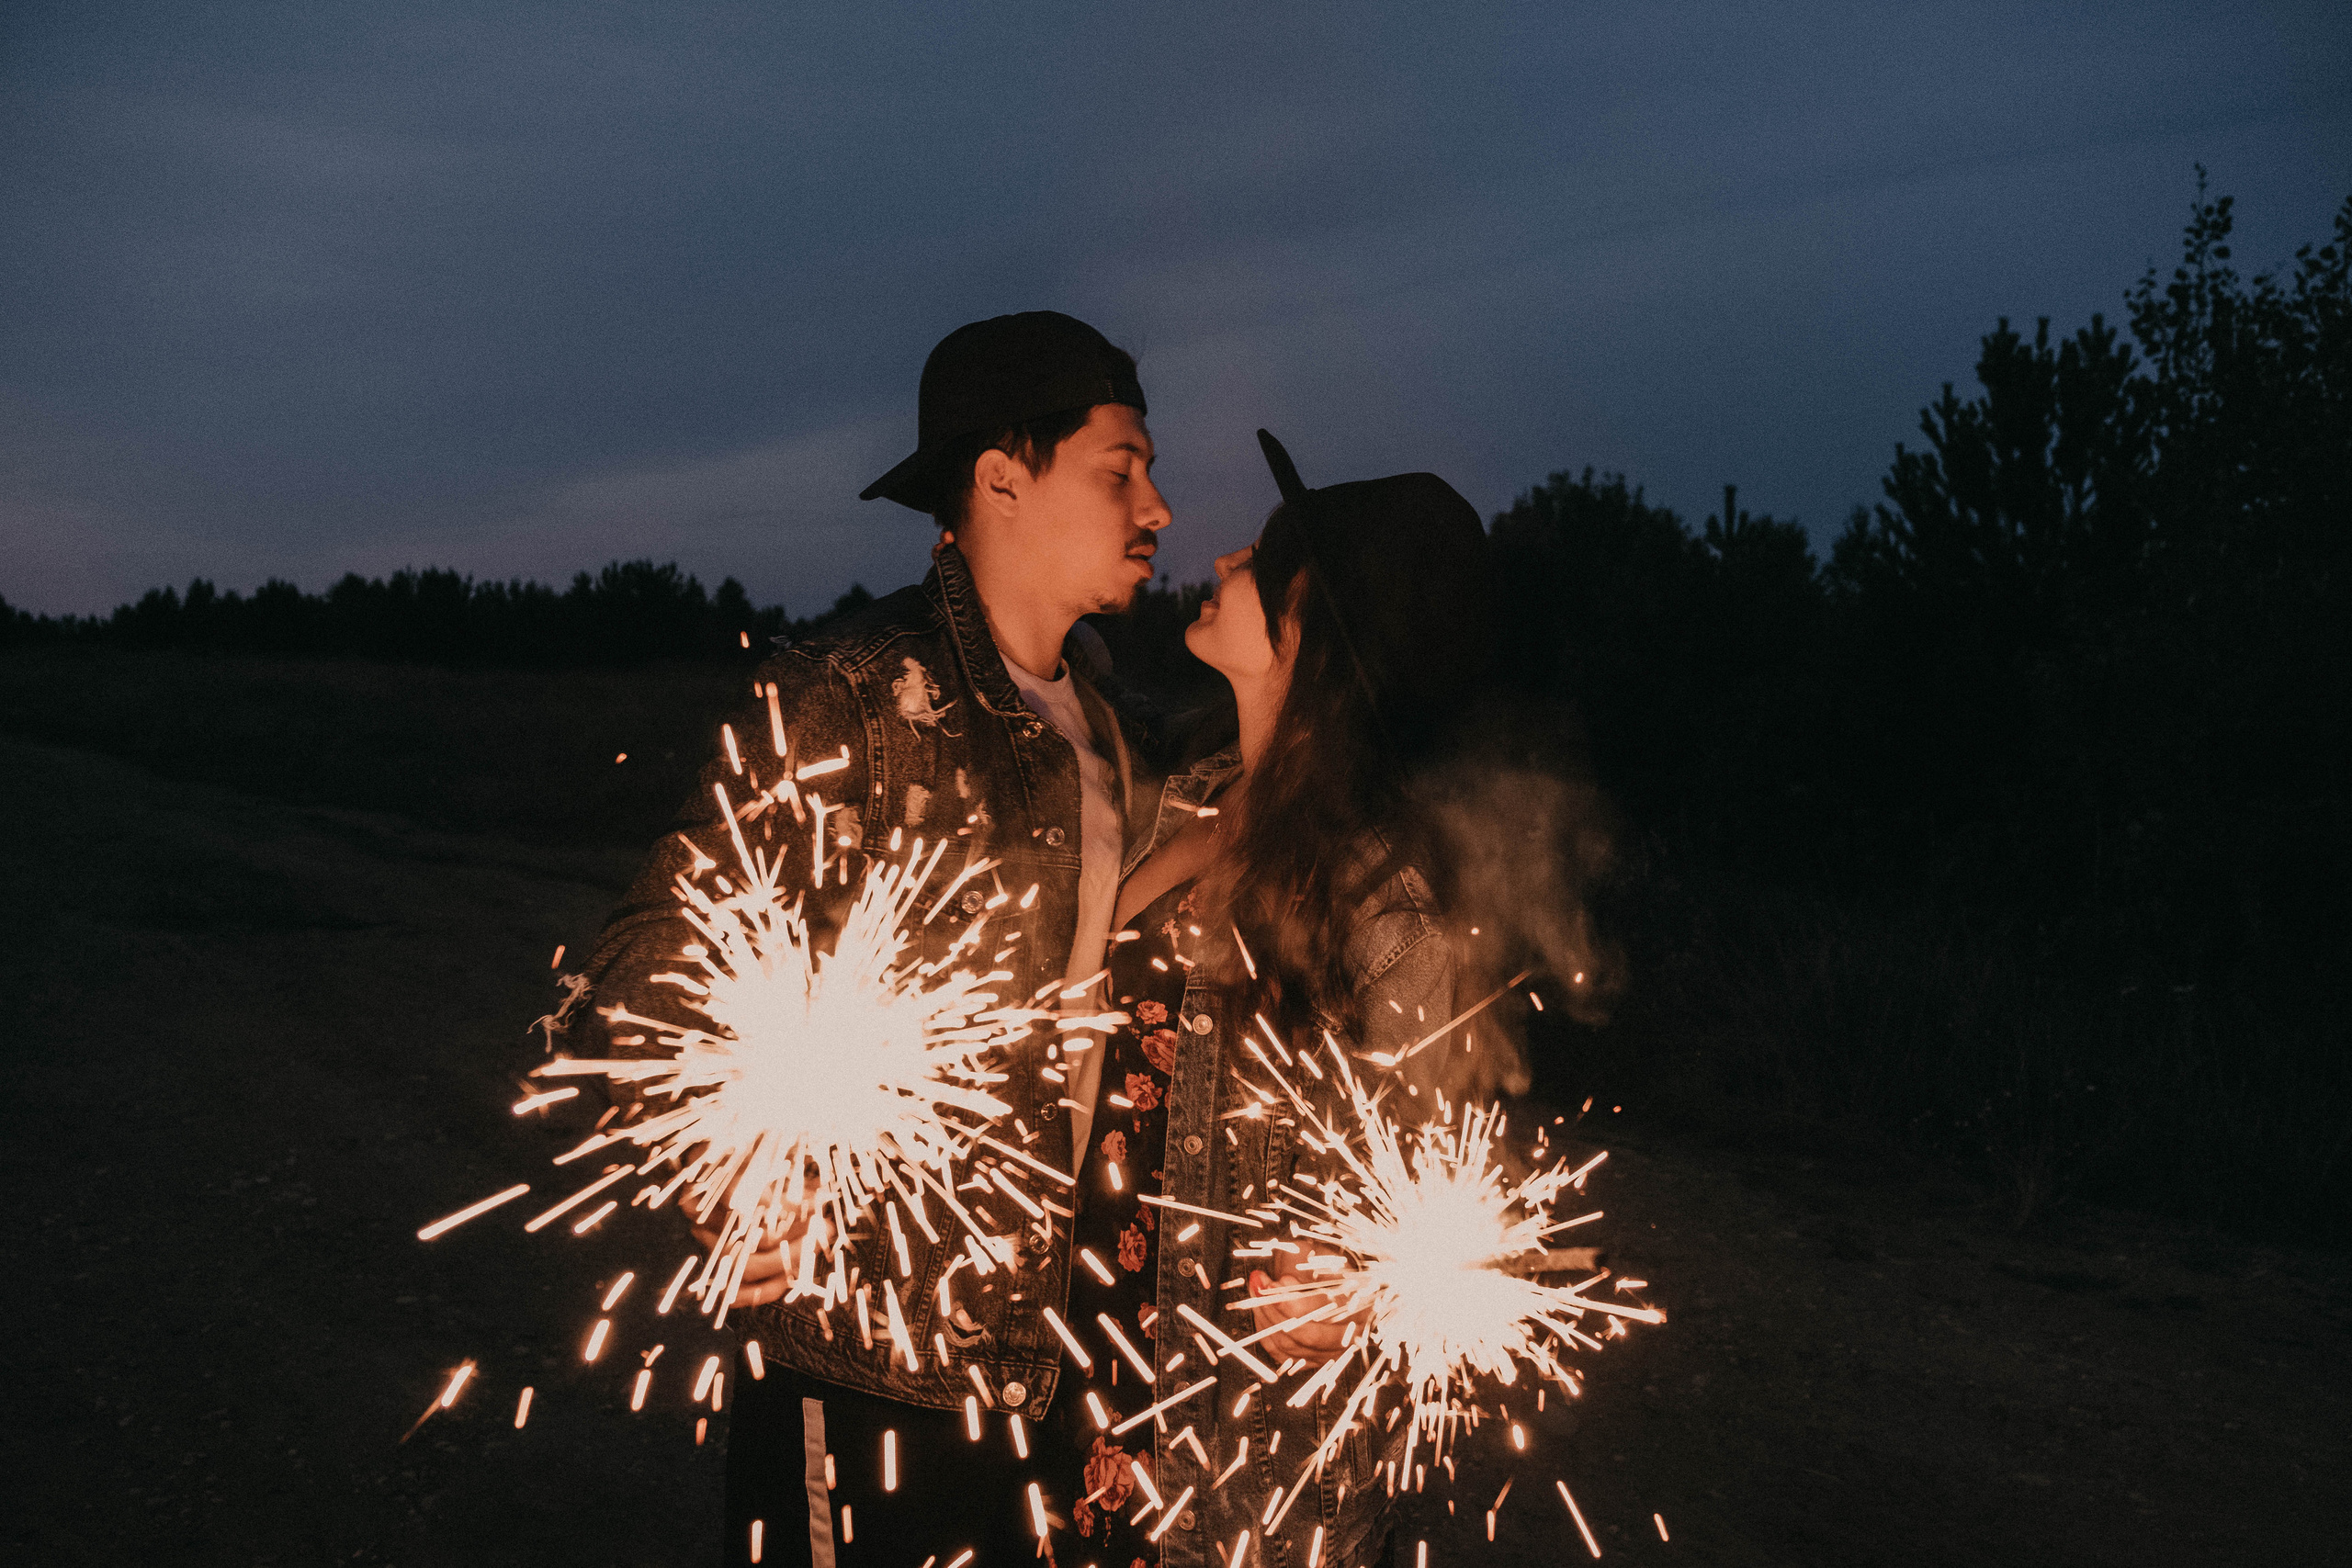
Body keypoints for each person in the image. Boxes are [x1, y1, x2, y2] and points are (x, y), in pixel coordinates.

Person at [570, 310, 1171, 1568]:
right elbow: (650, 953)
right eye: (1121, 469)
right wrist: (723, 1159)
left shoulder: (1117, 732)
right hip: (865, 1367)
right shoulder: (848, 693)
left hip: (1050, 1370)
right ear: (1002, 476)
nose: (1156, 507)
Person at [1028, 432, 1505, 1568]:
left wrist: (1362, 1287)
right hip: (1096, 1359)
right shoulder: (1179, 798)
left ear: (1311, 630)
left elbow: (1444, 1189)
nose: (1226, 557)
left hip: (1243, 1451)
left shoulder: (1383, 905)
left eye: (1264, 559)